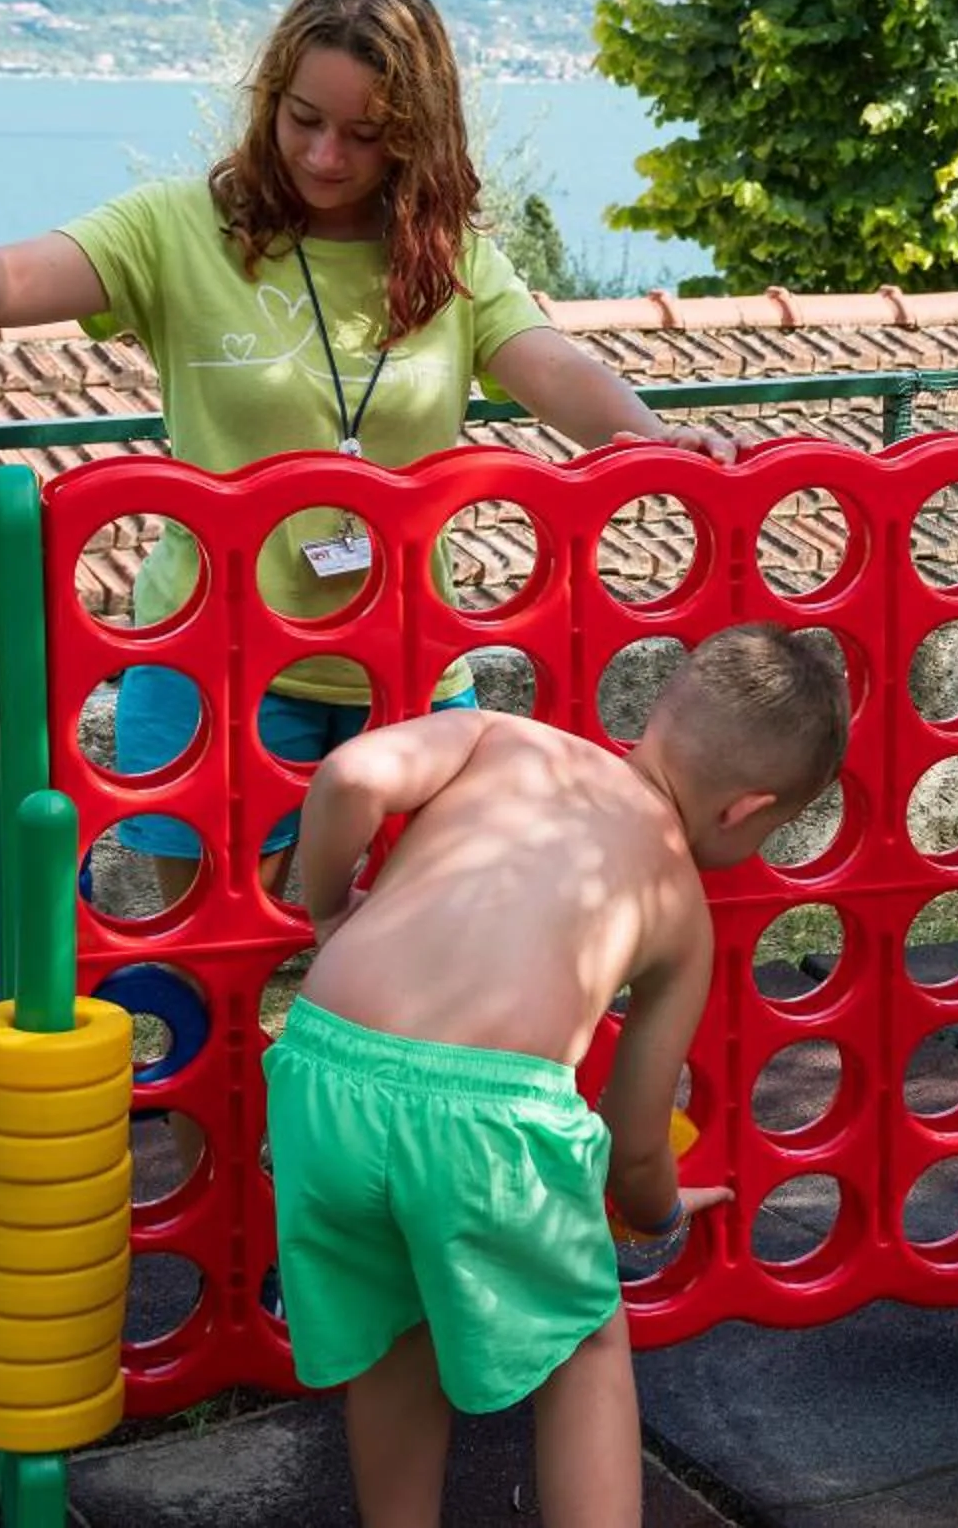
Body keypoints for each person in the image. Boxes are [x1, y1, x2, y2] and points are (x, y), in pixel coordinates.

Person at [0, 0, 730, 899]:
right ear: (271, 98)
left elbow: (550, 365)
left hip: (408, 671)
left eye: (365, 134)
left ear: (416, 136)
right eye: (303, 119)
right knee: (218, 940)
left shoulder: (451, 263)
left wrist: (655, 442)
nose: (324, 156)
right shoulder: (176, 229)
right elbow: (16, 277)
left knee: (412, 940)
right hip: (211, 659)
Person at [266, 622, 847, 1526]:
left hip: (322, 1074)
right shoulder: (679, 910)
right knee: (584, 1347)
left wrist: (330, 909)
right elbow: (637, 1132)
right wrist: (654, 1219)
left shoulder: (503, 737)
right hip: (483, 1124)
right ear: (744, 810)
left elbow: (348, 777)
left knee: (396, 1334)